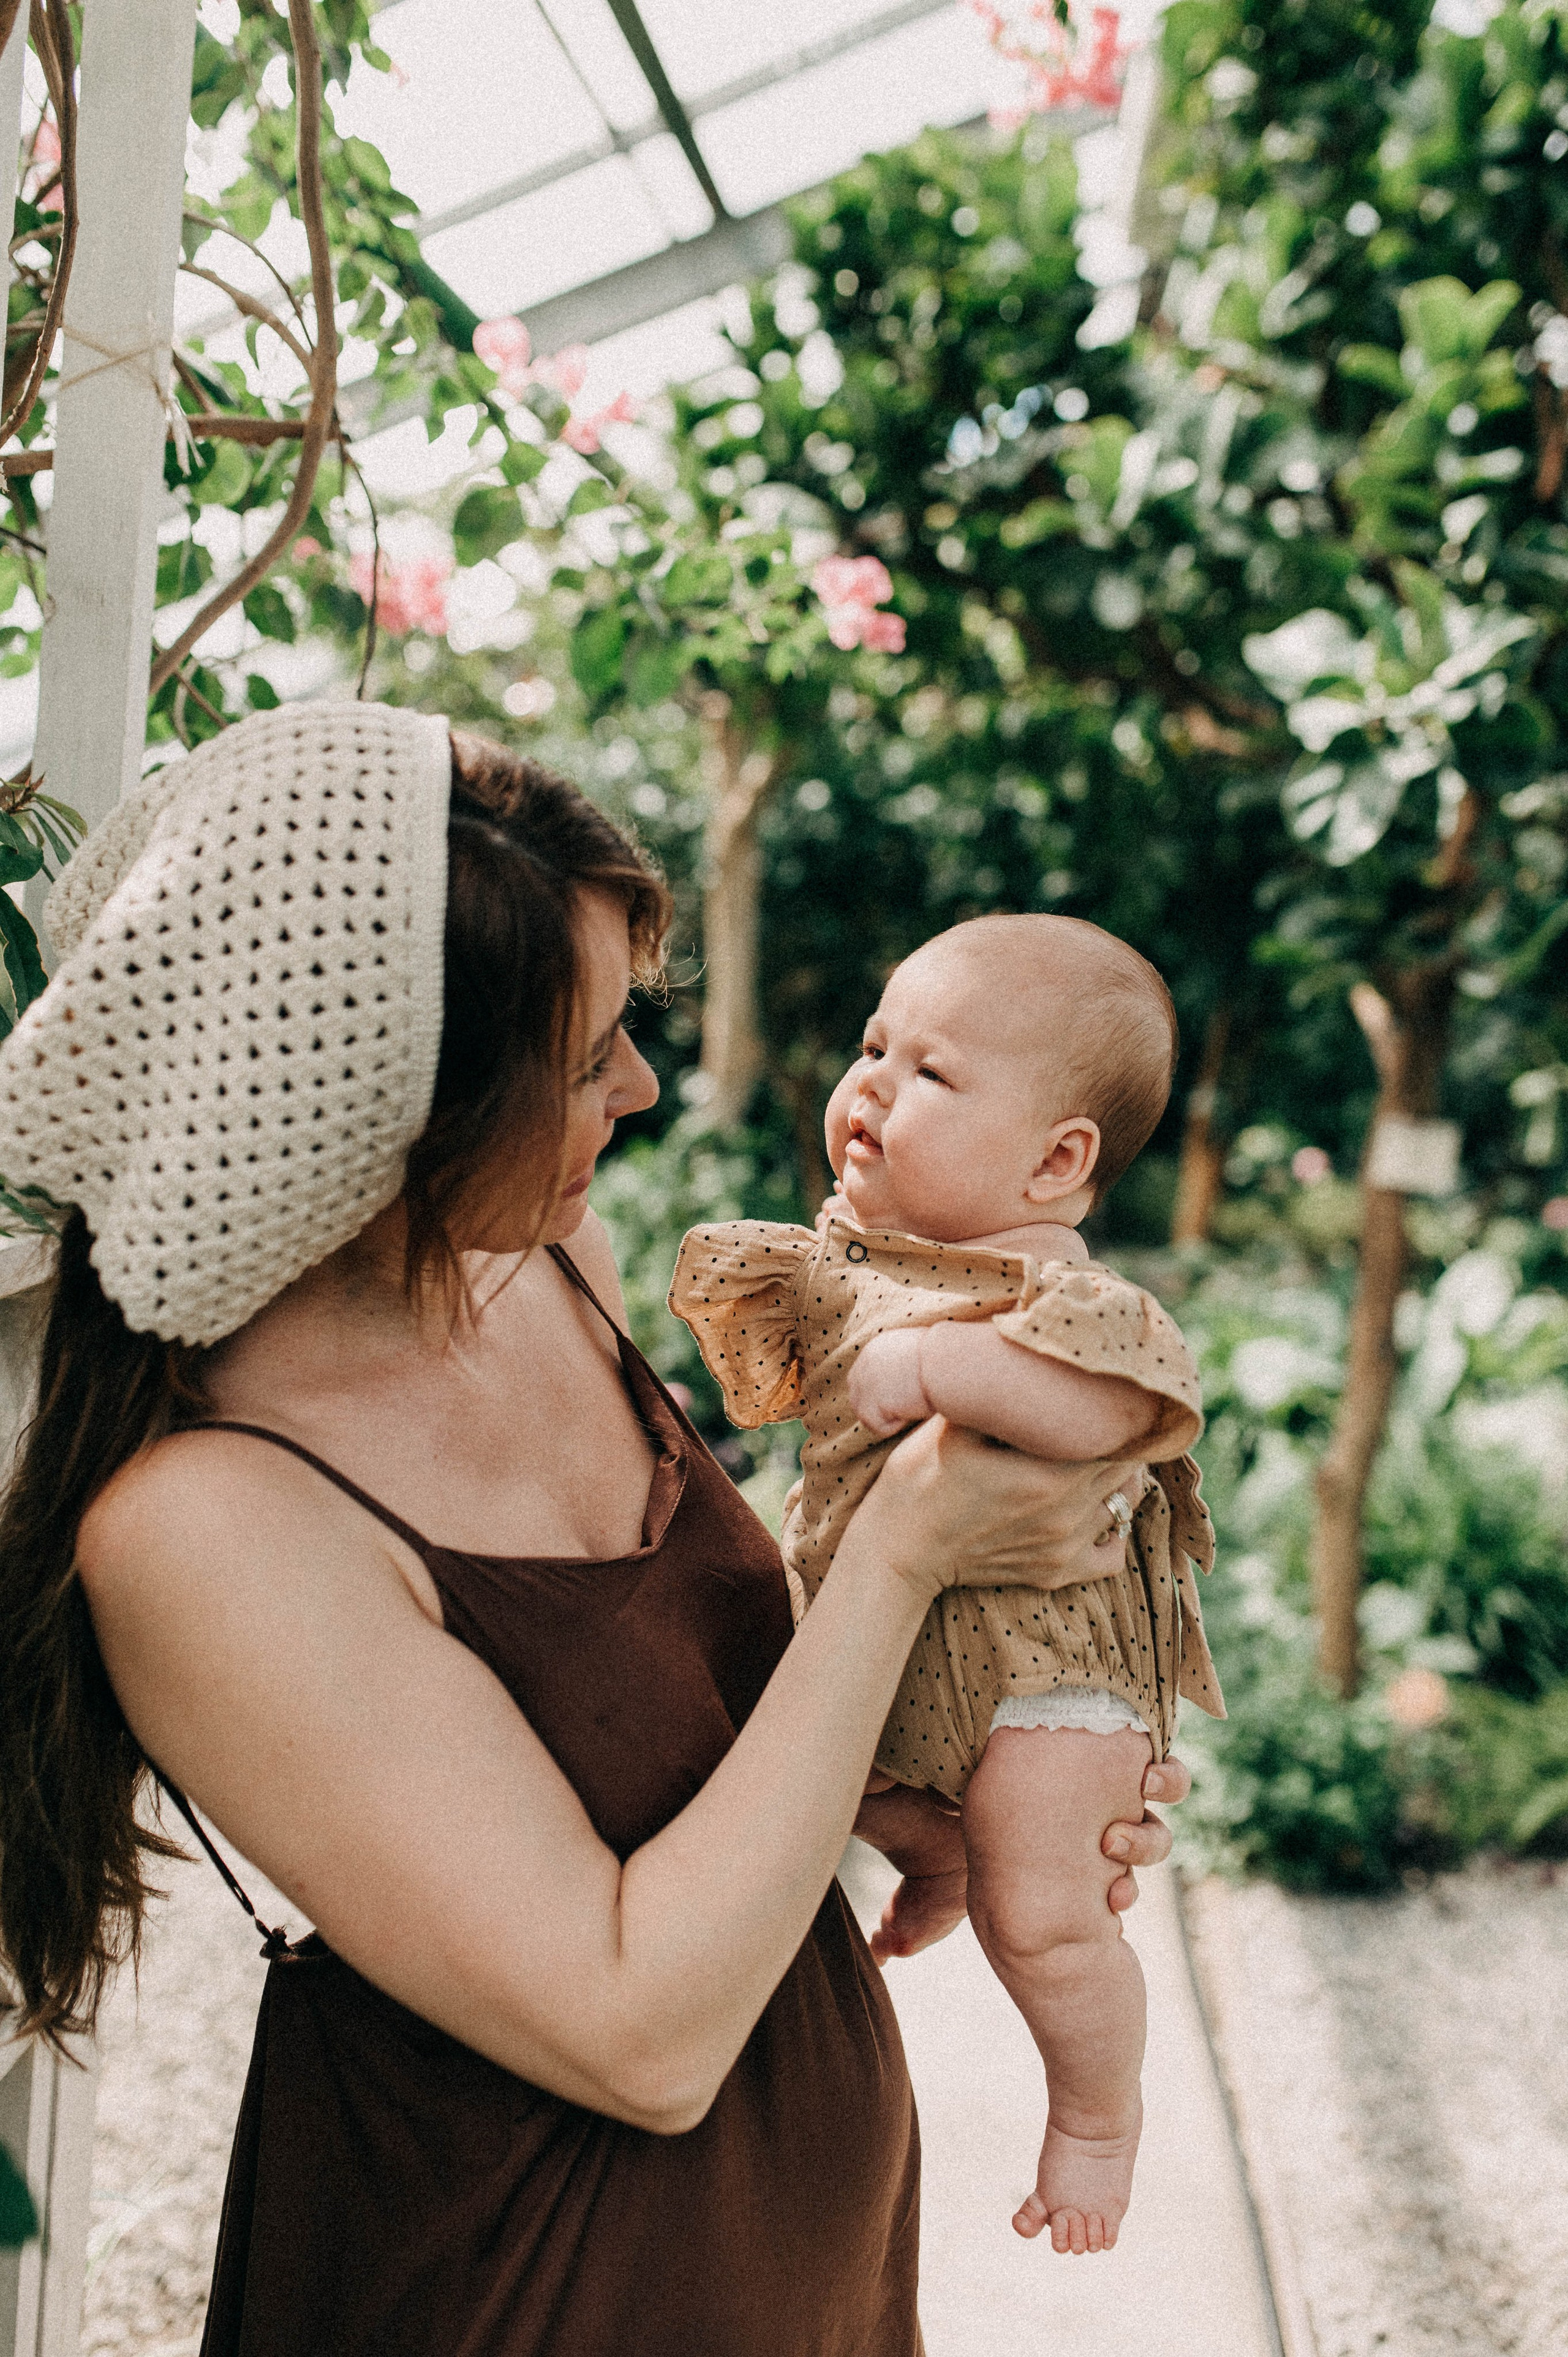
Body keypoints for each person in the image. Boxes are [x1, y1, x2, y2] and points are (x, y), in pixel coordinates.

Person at [0, 706, 1186, 2356]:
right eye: (581, 1061)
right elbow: (639, 2032)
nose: (636, 1086)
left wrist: (941, 1777)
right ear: (384, 1112)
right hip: (518, 2291)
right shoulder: (207, 1526)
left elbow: (647, 1710)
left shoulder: (553, 1274)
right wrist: (910, 1545)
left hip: (803, 2254)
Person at [670, 915, 1224, 2257]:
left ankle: (1093, 2110)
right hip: (892, 1639)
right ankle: (936, 1853)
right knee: (806, 1773)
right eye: (872, 1045)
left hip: (1046, 1678)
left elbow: (1115, 1411)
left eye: (929, 1072)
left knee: (1044, 1914)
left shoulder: (1050, 1287)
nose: (868, 1084)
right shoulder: (857, 1261)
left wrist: (942, 1370)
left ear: (1056, 1158)